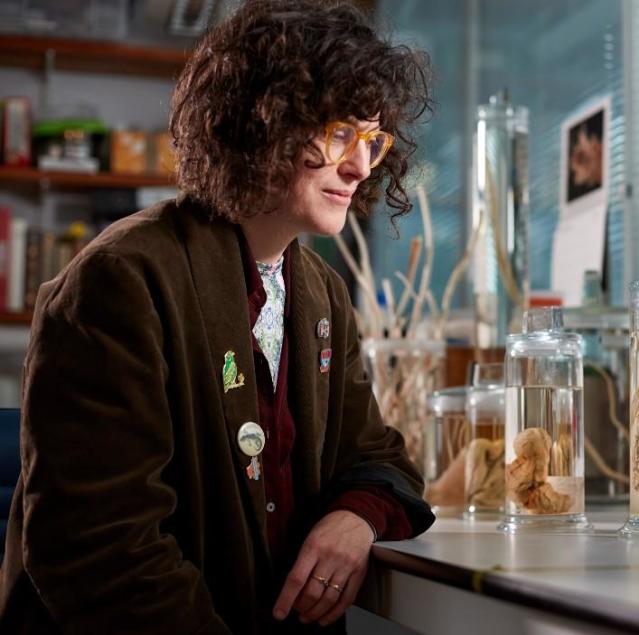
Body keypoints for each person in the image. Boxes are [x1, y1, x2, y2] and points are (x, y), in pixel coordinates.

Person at [0, 1, 434, 633]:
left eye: (373, 140)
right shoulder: (121, 278)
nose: (361, 166)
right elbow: (101, 551)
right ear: (265, 121)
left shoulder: (323, 293)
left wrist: (357, 517)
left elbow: (378, 456)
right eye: (341, 132)